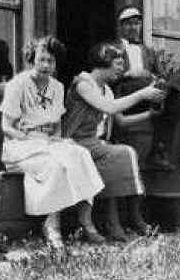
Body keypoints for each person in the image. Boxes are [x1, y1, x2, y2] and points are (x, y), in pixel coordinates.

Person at [0, 36, 105, 249]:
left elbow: (56, 125)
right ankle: (51, 224)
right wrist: (33, 139)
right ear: (32, 58)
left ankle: (86, 221)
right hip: (19, 146)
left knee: (81, 154)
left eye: (51, 61)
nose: (46, 65)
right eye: (42, 59)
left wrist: (57, 140)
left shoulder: (57, 87)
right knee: (56, 165)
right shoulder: (17, 84)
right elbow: (6, 127)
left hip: (47, 142)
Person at [63, 42, 165, 241]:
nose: (121, 69)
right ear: (103, 64)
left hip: (93, 144)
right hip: (73, 143)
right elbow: (109, 108)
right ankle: (116, 222)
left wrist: (150, 115)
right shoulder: (84, 84)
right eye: (117, 64)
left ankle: (126, 219)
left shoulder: (106, 89)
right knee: (121, 154)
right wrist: (142, 93)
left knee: (125, 153)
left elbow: (122, 120)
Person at [112, 6, 180, 171]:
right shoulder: (113, 48)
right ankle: (169, 90)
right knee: (172, 94)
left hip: (152, 88)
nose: (133, 28)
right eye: (129, 24)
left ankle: (158, 152)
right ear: (121, 27)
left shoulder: (148, 51)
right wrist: (129, 74)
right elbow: (106, 73)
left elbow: (160, 74)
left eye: (136, 24)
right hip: (128, 90)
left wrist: (156, 80)